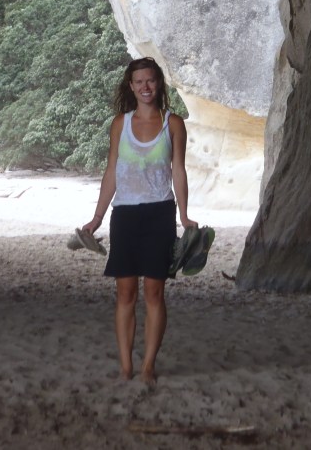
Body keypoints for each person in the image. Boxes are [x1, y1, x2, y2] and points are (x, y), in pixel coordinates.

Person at [82, 57, 197, 384]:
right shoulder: (120, 124)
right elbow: (111, 172)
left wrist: (185, 215)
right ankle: (125, 367)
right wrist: (97, 217)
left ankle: (147, 367)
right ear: (130, 87)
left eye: (151, 81)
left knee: (155, 294)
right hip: (126, 215)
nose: (145, 87)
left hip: (160, 212)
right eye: (139, 82)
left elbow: (178, 170)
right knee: (125, 294)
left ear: (158, 84)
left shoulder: (172, 124)